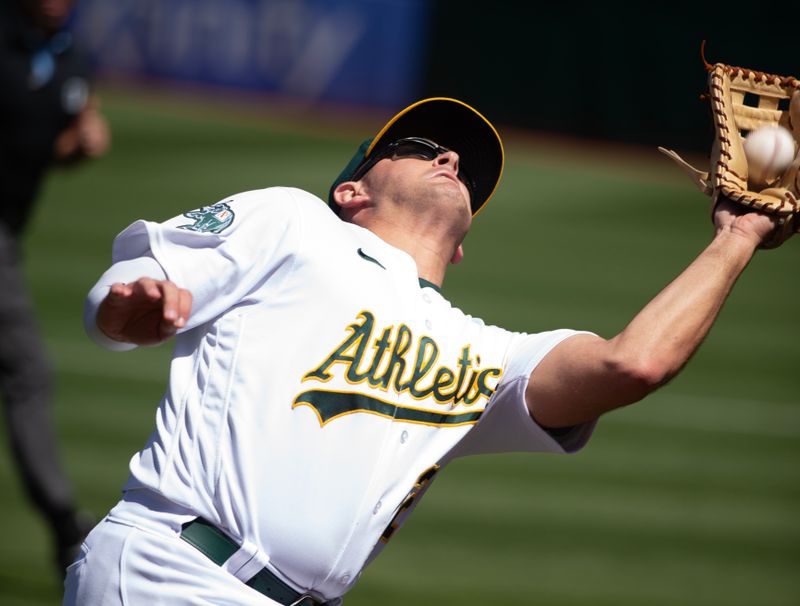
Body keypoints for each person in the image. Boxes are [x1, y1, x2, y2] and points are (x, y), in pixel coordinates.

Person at [67, 97, 776, 605]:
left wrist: (736, 237)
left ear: (462, 247)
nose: (451, 158)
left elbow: (634, 364)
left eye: (464, 170)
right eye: (417, 149)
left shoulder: (486, 356)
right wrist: (134, 307)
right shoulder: (296, 224)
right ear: (350, 190)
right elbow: (135, 287)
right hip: (171, 573)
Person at [0, 0, 110, 574]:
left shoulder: (72, 60)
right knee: (28, 372)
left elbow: (50, 147)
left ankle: (65, 524)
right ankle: (66, 524)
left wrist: (78, 146)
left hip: (10, 232)